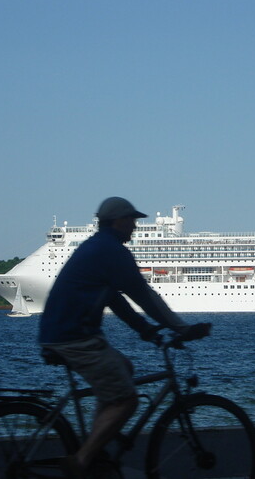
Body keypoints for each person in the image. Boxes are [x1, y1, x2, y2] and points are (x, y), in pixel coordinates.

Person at [38, 196, 210, 478]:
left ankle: (96, 447)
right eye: (131, 220)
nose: (135, 226)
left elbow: (115, 300)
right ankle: (82, 459)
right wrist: (181, 329)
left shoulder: (97, 247)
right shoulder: (112, 251)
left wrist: (148, 332)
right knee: (127, 400)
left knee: (124, 370)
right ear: (117, 221)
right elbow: (142, 295)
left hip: (65, 331)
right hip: (73, 336)